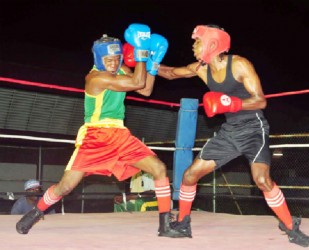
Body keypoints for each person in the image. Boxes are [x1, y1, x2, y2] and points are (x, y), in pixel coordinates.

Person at [15, 23, 185, 238]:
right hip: (95, 136)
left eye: (116, 59)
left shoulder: (121, 69)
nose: (114, 63)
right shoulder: (96, 78)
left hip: (121, 135)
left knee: (158, 168)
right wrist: (143, 53)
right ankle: (35, 212)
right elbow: (137, 81)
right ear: (98, 59)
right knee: (65, 187)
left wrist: (153, 64)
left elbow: (146, 88)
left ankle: (165, 225)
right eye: (109, 60)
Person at [157, 24, 309, 247]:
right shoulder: (202, 68)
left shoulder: (240, 64)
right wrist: (145, 62)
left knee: (262, 181)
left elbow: (260, 100)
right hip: (229, 133)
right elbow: (172, 73)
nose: (193, 46)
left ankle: (292, 228)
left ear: (212, 43)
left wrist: (231, 103)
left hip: (254, 129)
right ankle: (183, 223)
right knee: (189, 175)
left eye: (197, 42)